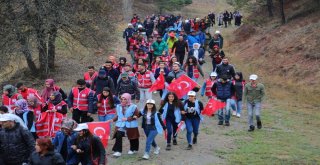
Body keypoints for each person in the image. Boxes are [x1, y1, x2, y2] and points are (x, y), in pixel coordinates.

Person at [109, 93, 140, 157]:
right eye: (122, 99)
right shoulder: (119, 106)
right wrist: (113, 120)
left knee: (132, 137)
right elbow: (119, 115)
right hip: (121, 124)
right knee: (118, 134)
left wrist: (127, 118)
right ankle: (118, 151)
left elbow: (136, 116)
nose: (123, 100)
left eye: (125, 99)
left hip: (131, 124)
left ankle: (133, 149)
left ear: (128, 99)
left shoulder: (133, 107)